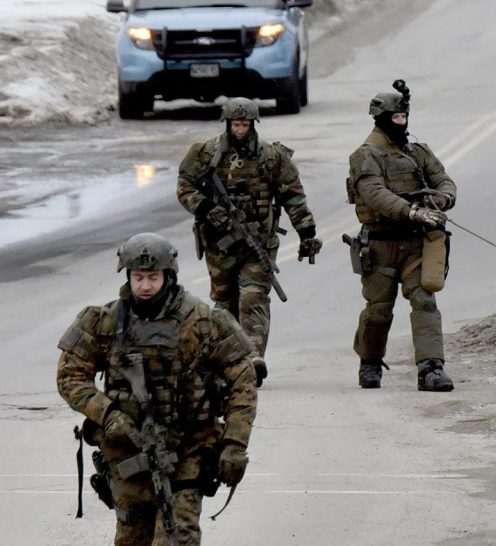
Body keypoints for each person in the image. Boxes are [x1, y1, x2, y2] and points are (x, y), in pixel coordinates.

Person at [57, 233, 257, 545]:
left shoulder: (203, 321)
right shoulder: (103, 322)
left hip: (188, 448)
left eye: (153, 277)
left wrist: (234, 443)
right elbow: (70, 377)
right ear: (128, 276)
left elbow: (242, 378)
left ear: (169, 275)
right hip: (128, 453)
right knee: (131, 537)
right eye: (138, 277)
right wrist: (109, 415)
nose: (145, 286)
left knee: (178, 536)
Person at [177, 97, 321, 387]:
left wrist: (307, 233)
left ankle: (252, 357)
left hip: (259, 242)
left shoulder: (271, 156)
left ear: (253, 124)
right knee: (224, 301)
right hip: (219, 244)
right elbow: (185, 185)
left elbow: (293, 196)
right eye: (236, 124)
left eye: (245, 124)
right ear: (227, 123)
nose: (240, 129)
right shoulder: (205, 153)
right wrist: (206, 209)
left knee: (254, 295)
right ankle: (224, 360)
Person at [347, 81, 457, 391]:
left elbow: (445, 181)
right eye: (395, 118)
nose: (401, 122)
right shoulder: (365, 156)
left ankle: (431, 368)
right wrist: (410, 211)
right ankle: (369, 362)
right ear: (381, 118)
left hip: (415, 243)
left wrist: (440, 201)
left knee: (424, 299)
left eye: (404, 117)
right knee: (378, 310)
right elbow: (373, 193)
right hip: (380, 246)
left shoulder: (418, 152)